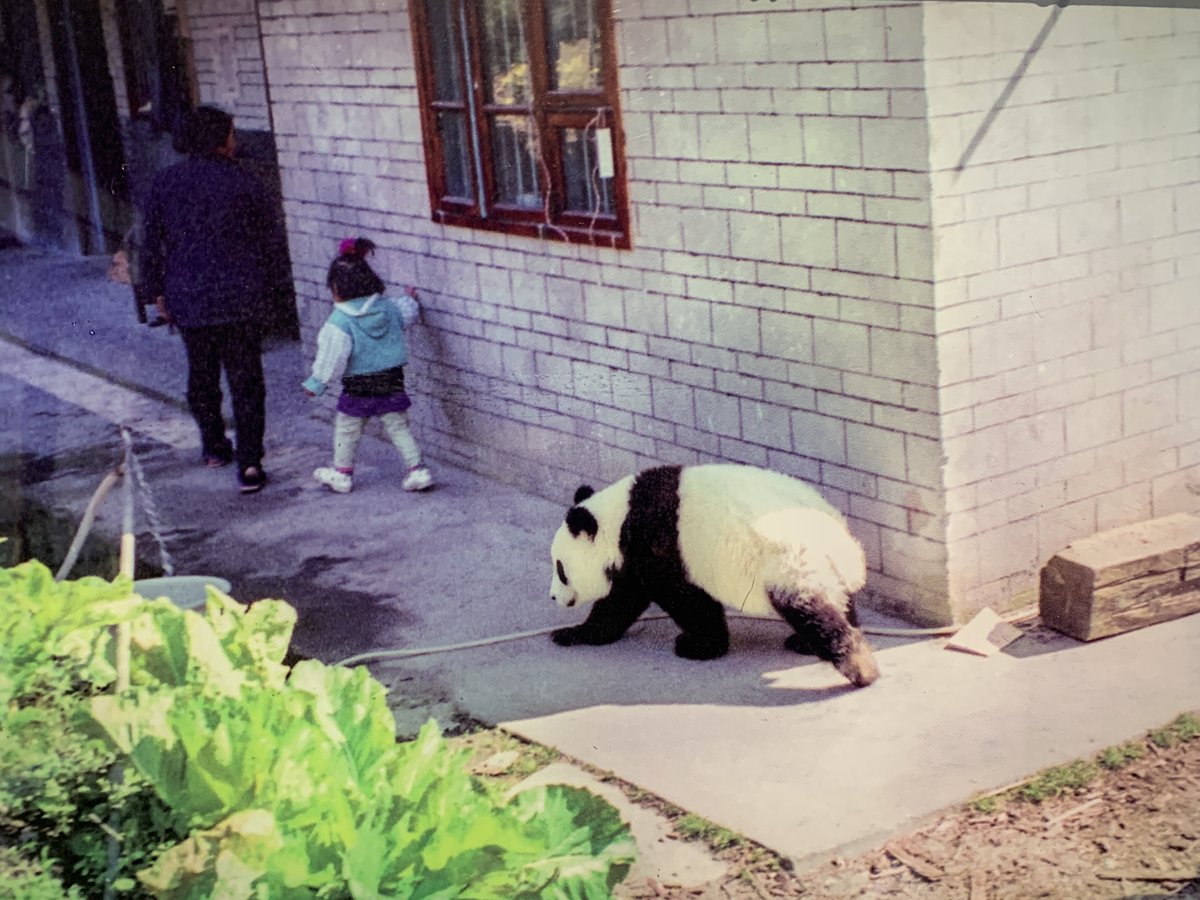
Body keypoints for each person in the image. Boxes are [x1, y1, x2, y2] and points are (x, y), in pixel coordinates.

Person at [141, 105, 272, 493]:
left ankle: (214, 447)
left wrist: (156, 294)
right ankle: (250, 463)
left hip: (188, 295)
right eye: (231, 134)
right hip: (239, 294)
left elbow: (150, 246)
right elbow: (268, 239)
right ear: (220, 140)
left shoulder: (165, 183)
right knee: (246, 380)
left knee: (201, 375)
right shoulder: (244, 181)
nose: (235, 141)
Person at [303, 237, 434, 495]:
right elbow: (407, 312)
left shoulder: (339, 321)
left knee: (347, 427)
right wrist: (411, 299)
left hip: (359, 384)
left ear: (337, 288)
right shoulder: (389, 309)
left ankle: (342, 473)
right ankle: (418, 469)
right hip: (390, 378)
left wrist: (317, 383)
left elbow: (332, 356)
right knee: (398, 426)